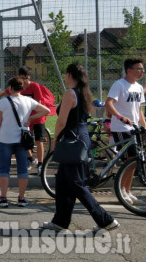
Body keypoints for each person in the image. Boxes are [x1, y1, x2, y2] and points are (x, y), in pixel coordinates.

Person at [43, 63, 119, 232]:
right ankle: (60, 222)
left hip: (72, 140)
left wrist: (55, 139)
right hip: (80, 138)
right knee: (63, 181)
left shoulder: (70, 93)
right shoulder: (84, 93)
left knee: (76, 183)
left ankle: (105, 220)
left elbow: (62, 121)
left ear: (69, 75)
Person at [0, 77, 50, 207]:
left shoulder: (3, 103)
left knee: (4, 168)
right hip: (22, 139)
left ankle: (3, 197)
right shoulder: (28, 101)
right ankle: (22, 198)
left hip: (5, 138)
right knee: (22, 168)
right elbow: (46, 110)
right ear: (22, 88)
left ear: (10, 88)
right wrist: (30, 118)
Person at [0, 66, 54, 173]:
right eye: (22, 77)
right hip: (25, 119)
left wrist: (30, 115)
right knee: (24, 139)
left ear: (29, 77)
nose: (24, 80)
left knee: (39, 141)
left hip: (37, 117)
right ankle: (30, 159)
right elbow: (3, 92)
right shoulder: (18, 86)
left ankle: (40, 164)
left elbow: (38, 102)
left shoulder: (34, 86)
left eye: (26, 77)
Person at [105, 58, 146, 206]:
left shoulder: (139, 87)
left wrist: (144, 125)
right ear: (129, 70)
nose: (142, 71)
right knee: (130, 160)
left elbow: (139, 110)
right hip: (122, 128)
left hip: (134, 128)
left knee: (134, 162)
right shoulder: (119, 84)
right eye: (139, 69)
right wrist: (120, 117)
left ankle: (127, 191)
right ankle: (122, 191)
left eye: (143, 69)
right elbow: (108, 103)